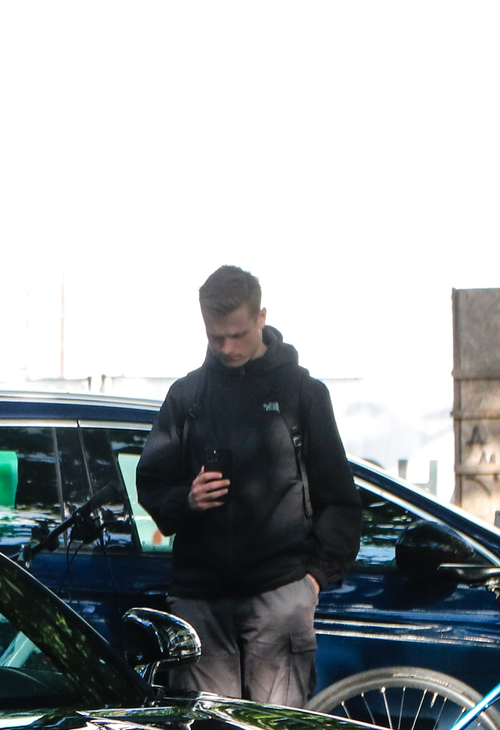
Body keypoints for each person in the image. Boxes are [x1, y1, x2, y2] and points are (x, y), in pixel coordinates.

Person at [135, 265, 361, 706]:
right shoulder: (187, 395)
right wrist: (187, 500)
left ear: (261, 318)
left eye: (237, 335)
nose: (226, 347)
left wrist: (312, 581)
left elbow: (340, 498)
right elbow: (152, 483)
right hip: (200, 599)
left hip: (281, 595)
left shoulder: (302, 393)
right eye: (215, 336)